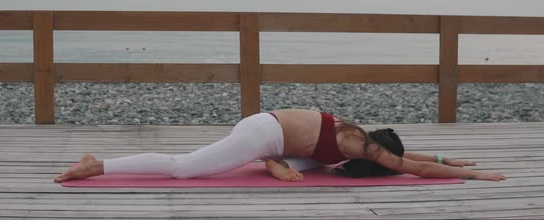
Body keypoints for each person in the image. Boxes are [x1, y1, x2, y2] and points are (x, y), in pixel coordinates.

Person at [54, 109, 507, 183]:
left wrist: (450, 157)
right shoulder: (361, 147)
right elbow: (414, 170)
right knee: (185, 168)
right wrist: (477, 175)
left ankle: (277, 163)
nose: (389, 163)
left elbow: (412, 159)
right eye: (384, 158)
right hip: (261, 134)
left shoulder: (355, 137)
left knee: (315, 165)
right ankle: (100, 164)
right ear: (375, 151)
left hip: (271, 128)